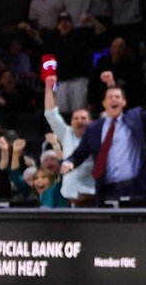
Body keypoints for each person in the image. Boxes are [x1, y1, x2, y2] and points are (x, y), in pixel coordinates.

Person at [62, 66, 146, 203]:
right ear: (104, 103)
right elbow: (80, 153)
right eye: (110, 97)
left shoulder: (136, 118)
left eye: (117, 97)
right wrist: (69, 163)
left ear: (124, 102)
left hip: (136, 189)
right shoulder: (93, 129)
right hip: (107, 190)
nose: (113, 100)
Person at [40, 63, 95, 206]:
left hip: (93, 197)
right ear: (70, 122)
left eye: (83, 118)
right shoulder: (66, 133)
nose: (79, 121)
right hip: (70, 199)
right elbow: (51, 114)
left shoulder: (98, 135)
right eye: (76, 119)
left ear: (91, 121)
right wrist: (48, 88)